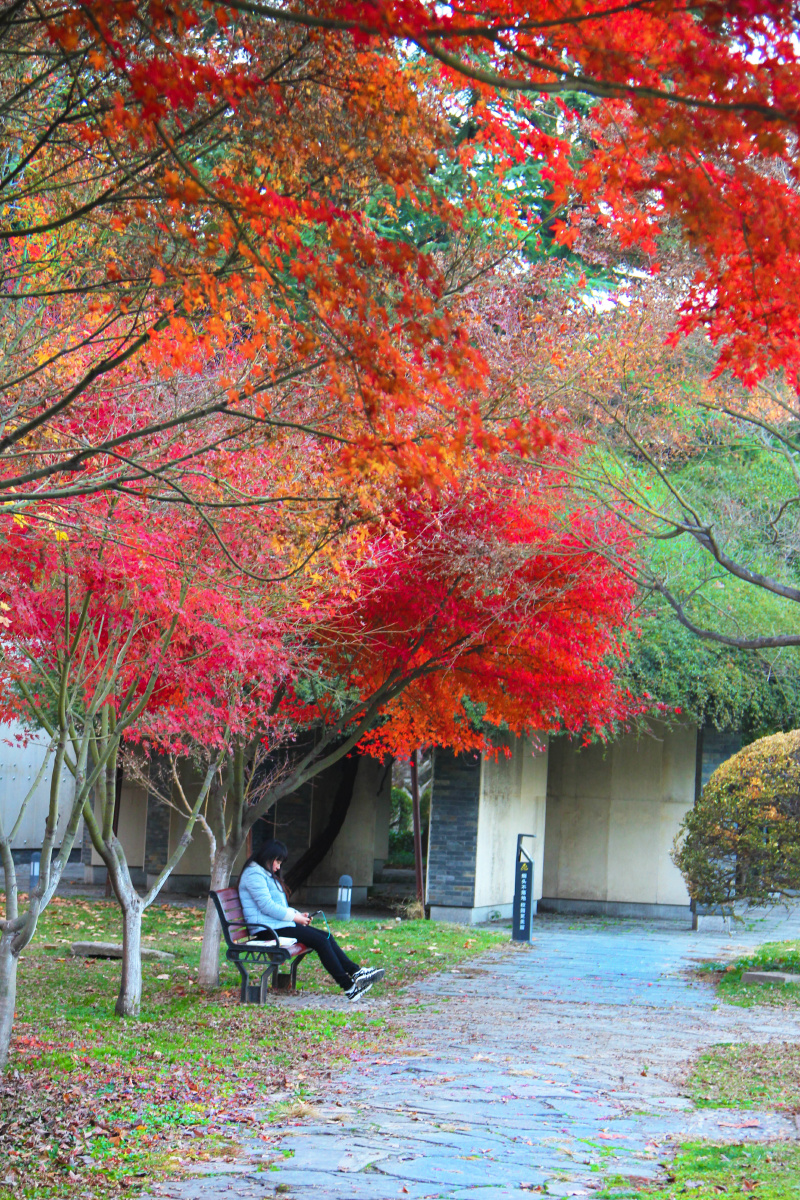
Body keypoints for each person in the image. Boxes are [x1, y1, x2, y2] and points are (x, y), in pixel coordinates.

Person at [238, 838, 385, 1001]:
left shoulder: (264, 874)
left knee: (326, 936)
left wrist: (298, 914)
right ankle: (349, 987)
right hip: (266, 930)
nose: (278, 867)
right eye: (277, 862)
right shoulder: (254, 874)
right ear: (268, 856)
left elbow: (278, 905)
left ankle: (356, 972)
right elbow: (267, 906)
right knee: (320, 941)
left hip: (276, 925)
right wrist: (295, 918)